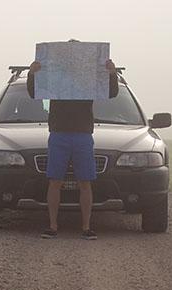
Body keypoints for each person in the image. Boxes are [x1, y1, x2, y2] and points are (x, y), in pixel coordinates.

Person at [26, 51, 119, 240]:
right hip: (59, 134)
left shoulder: (89, 80)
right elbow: (34, 92)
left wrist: (112, 73)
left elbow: (111, 93)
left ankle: (86, 227)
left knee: (85, 182)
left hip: (83, 135)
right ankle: (52, 226)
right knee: (54, 182)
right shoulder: (55, 79)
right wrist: (31, 74)